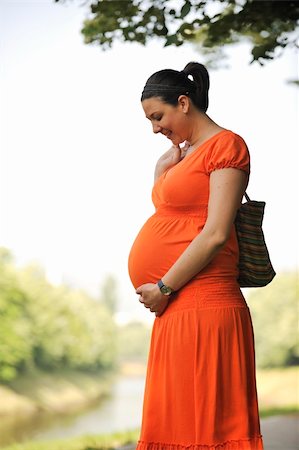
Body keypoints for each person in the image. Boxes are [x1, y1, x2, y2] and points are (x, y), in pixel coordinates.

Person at [128, 62, 263, 450]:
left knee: (206, 430)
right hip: (174, 309)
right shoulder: (182, 157)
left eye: (158, 117)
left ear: (183, 103)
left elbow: (216, 233)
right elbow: (170, 215)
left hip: (203, 303)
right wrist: (161, 172)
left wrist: (165, 286)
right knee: (174, 428)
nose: (155, 128)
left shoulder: (226, 146)